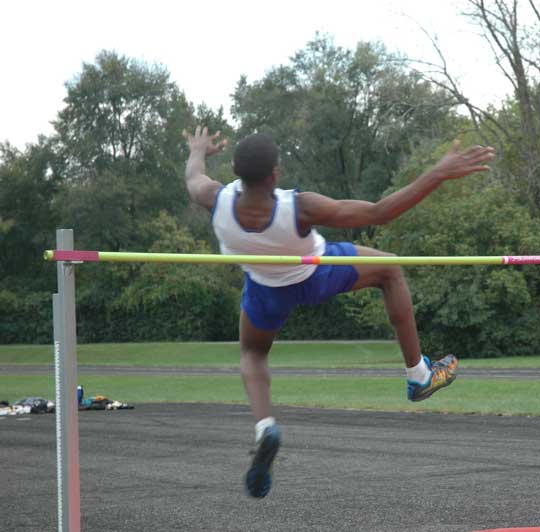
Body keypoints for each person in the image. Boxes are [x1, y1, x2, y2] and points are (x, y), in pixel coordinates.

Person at [182, 126, 495, 498]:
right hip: (317, 272)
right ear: (275, 175)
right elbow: (380, 213)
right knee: (390, 269)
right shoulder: (298, 206)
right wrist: (438, 173)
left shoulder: (213, 198)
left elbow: (193, 176)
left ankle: (265, 426)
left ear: (236, 172)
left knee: (252, 352)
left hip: (265, 289)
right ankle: (419, 374)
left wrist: (198, 149)